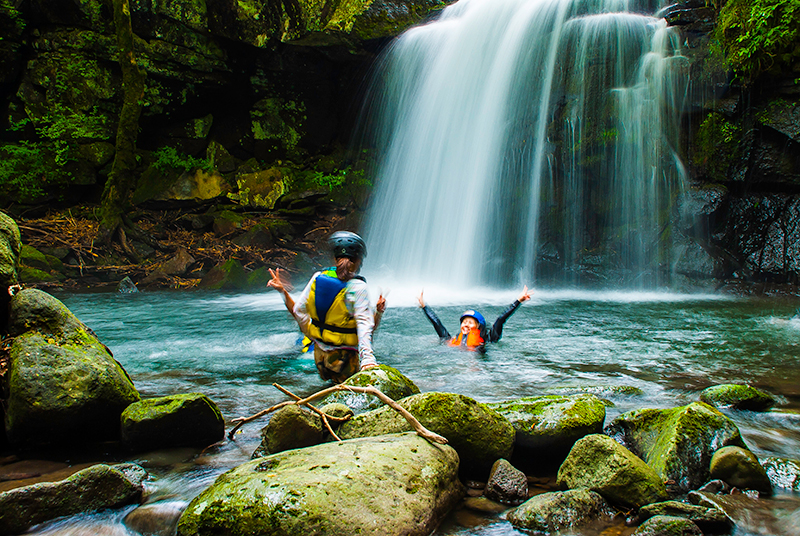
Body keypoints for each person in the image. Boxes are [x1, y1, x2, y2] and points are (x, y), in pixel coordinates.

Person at [267, 231, 384, 383]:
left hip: (320, 358)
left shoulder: (318, 278)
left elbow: (298, 311)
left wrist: (283, 292)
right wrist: (368, 360)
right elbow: (364, 326)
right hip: (345, 362)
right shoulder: (358, 287)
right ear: (359, 260)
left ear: (335, 258)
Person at [418, 286, 532, 351]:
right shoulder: (455, 339)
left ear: (479, 326)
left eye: (470, 322)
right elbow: (437, 324)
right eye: (464, 322)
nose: (465, 325)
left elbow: (501, 319)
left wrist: (518, 301)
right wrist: (424, 306)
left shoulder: (488, 339)